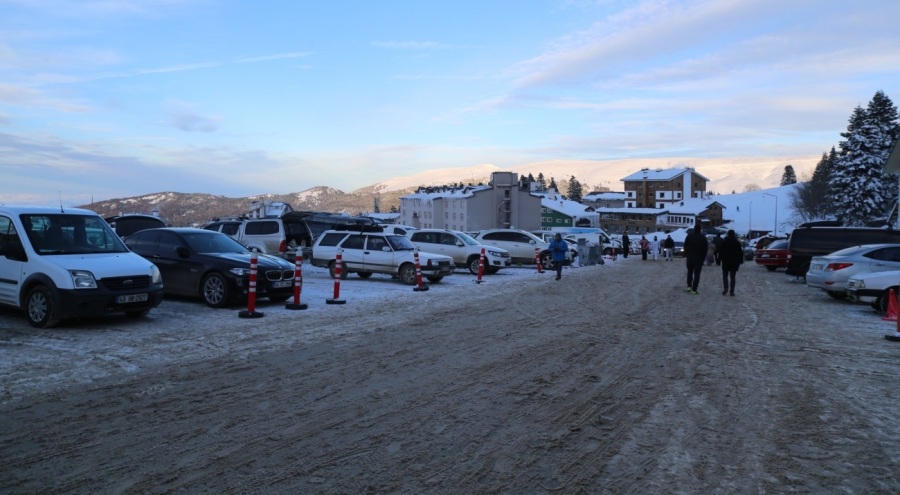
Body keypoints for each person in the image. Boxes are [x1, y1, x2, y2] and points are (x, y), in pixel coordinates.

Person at [684, 223, 708, 295]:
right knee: (697, 274)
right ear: (700, 229)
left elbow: (685, 246)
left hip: (690, 257)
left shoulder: (689, 236)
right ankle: (694, 289)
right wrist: (703, 258)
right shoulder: (703, 238)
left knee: (690, 272)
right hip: (699, 258)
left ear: (694, 229)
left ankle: (689, 286)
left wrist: (687, 254)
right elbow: (705, 249)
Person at [719, 229, 744, 296]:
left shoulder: (724, 241)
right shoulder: (737, 242)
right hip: (734, 261)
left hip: (725, 261)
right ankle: (732, 291)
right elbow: (740, 252)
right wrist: (741, 260)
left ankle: (725, 288)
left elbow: (721, 251)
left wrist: (719, 259)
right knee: (732, 276)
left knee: (725, 276)